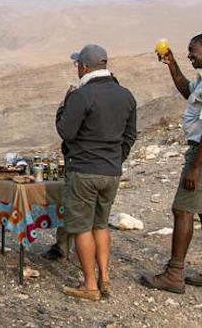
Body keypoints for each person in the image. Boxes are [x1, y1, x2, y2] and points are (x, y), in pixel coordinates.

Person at [142, 33, 202, 294]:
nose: (189, 55)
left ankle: (174, 274)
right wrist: (172, 65)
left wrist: (196, 166)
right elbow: (189, 92)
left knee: (182, 209)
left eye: (192, 50)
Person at [54, 44, 137, 301]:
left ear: (84, 67)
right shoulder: (126, 95)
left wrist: (62, 106)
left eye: (77, 64)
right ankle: (105, 278)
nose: (77, 68)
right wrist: (115, 159)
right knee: (101, 225)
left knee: (81, 228)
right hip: (111, 171)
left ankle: (90, 285)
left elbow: (66, 131)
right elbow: (130, 135)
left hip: (84, 170)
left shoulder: (81, 95)